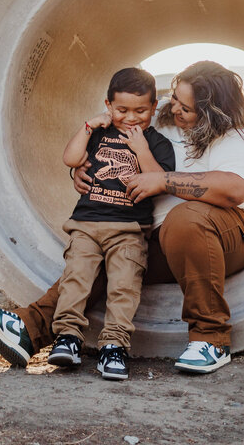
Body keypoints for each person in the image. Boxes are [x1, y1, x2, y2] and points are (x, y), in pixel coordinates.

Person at [0, 60, 244, 375]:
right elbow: (110, 143)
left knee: (187, 218)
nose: (175, 108)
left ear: (214, 113)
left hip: (233, 235)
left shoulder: (241, 137)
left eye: (187, 108)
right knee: (112, 244)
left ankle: (211, 338)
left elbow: (234, 189)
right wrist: (85, 170)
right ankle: (26, 330)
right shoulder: (163, 118)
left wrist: (164, 180)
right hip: (163, 237)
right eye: (175, 99)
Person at [36, 66, 175, 380]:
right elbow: (71, 159)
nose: (131, 117)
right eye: (122, 109)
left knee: (124, 286)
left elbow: (156, 179)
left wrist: (141, 149)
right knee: (76, 278)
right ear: (108, 105)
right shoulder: (98, 133)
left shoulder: (158, 143)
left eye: (141, 110)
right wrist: (87, 127)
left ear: (154, 107)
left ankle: (114, 345)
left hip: (129, 230)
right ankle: (68, 337)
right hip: (87, 224)